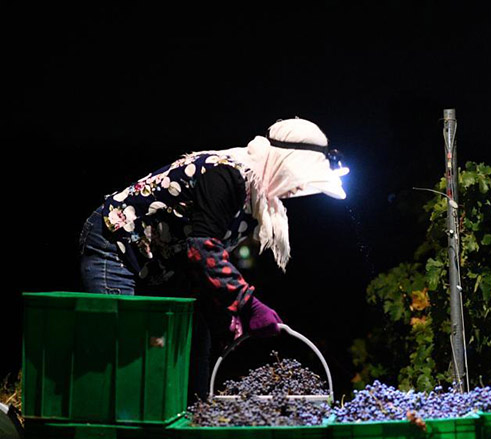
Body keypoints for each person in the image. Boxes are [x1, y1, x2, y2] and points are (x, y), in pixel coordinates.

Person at [79, 118, 348, 395]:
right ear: (285, 164)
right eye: (299, 181)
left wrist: (222, 317)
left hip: (164, 263)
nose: (296, 191)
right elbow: (202, 248)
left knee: (197, 341)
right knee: (119, 347)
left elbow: (201, 262)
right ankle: (101, 429)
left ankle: (195, 419)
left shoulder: (253, 198)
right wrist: (247, 305)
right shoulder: (226, 175)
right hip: (116, 243)